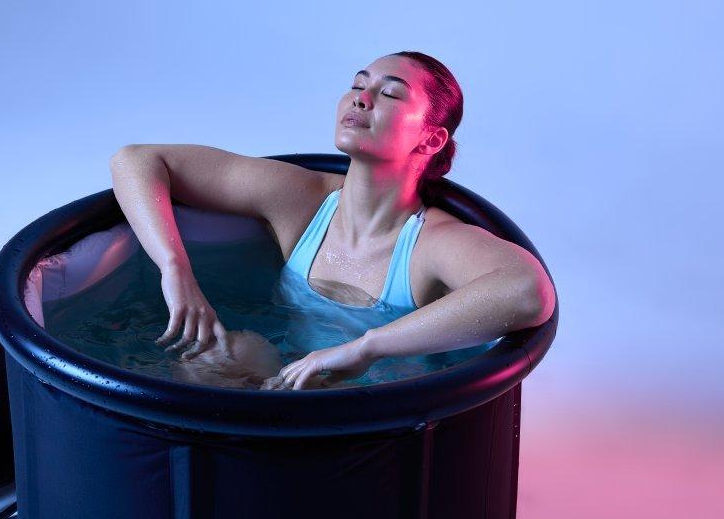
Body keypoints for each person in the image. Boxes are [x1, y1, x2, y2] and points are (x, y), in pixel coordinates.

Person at [110, 51, 556, 390]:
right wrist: (176, 269)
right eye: (359, 84)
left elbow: (529, 292)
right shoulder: (301, 200)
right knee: (224, 351)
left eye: (390, 92)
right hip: (285, 374)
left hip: (381, 409)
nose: (361, 97)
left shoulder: (430, 244)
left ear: (431, 138)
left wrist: (365, 348)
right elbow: (137, 161)